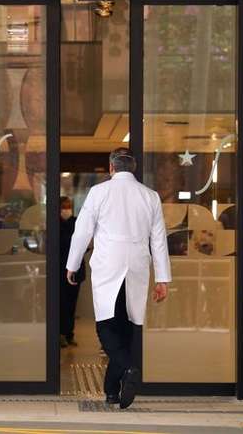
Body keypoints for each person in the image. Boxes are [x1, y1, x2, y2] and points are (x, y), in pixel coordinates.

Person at [65, 147, 171, 409]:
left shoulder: (99, 192)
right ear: (132, 168)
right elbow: (158, 240)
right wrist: (162, 279)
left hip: (108, 264)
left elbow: (82, 232)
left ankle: (129, 368)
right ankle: (111, 392)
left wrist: (73, 264)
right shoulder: (150, 196)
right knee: (127, 328)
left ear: (111, 167)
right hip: (137, 264)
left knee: (106, 326)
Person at [60, 196, 85, 348]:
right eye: (64, 206)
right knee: (62, 304)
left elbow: (83, 242)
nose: (66, 209)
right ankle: (61, 333)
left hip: (76, 270)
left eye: (68, 206)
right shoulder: (56, 223)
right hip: (60, 269)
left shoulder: (77, 222)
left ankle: (69, 333)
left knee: (71, 305)